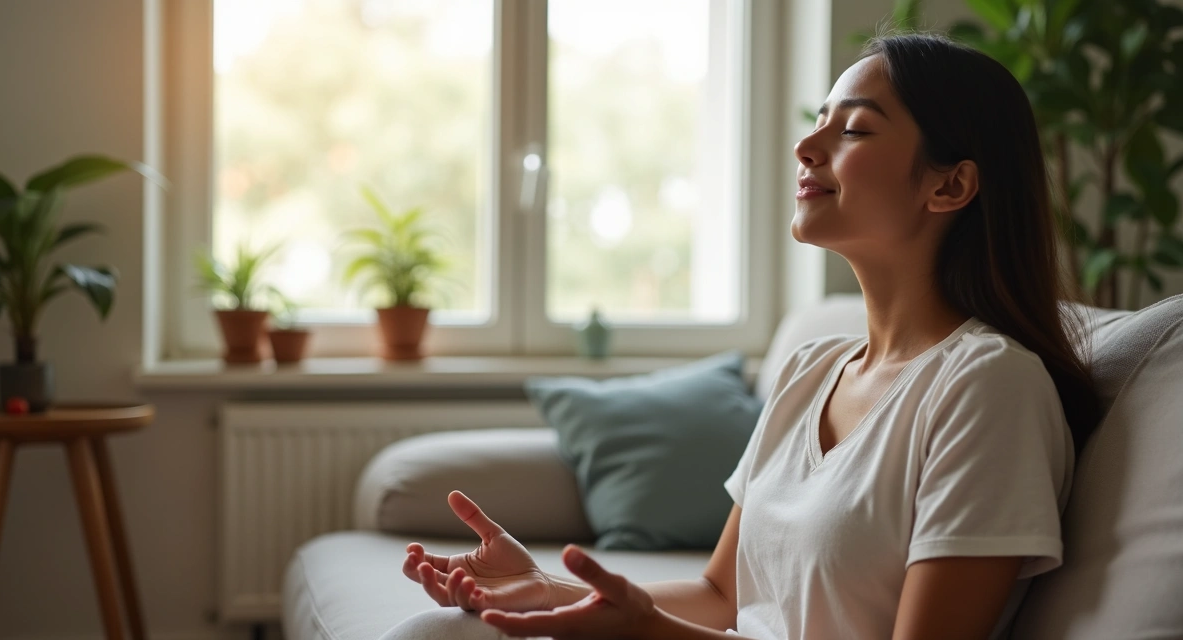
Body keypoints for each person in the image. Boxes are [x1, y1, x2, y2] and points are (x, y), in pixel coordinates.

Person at [397, 32, 1102, 640]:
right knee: (439, 629)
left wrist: (643, 631)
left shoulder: (989, 386)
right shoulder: (810, 371)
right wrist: (544, 587)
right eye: (819, 120)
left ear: (949, 187)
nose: (805, 144)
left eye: (853, 129)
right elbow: (722, 599)